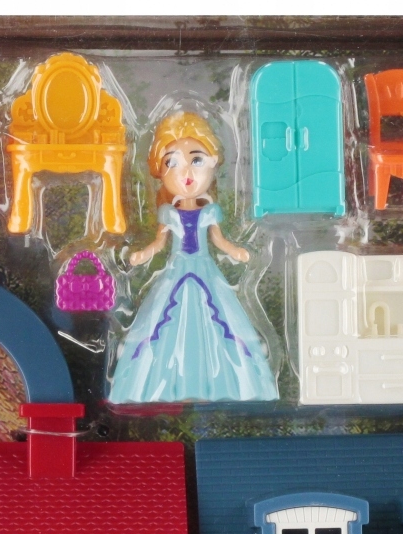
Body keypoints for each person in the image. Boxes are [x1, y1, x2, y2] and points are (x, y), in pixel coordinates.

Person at [109, 112, 278, 403]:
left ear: (213, 161)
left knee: (215, 320)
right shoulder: (167, 212)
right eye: (171, 162)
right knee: (165, 321)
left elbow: (219, 240)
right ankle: (162, 385)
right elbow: (159, 242)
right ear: (160, 171)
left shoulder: (210, 211)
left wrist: (236, 251)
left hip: (205, 268)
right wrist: (142, 254)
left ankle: (223, 384)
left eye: (196, 160)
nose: (185, 172)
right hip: (175, 269)